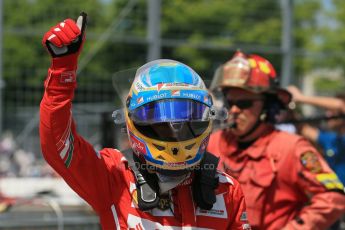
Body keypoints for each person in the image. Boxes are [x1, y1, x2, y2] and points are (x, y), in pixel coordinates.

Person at [39, 13, 250, 229]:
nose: (174, 131)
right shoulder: (115, 176)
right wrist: (62, 70)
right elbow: (59, 146)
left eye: (185, 121)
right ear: (132, 121)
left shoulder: (226, 189)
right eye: (161, 124)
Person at [207, 51, 345, 230]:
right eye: (229, 102)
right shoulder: (211, 144)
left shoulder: (291, 148)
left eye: (244, 104)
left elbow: (333, 197)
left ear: (267, 105)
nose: (233, 110)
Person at [287, 86, 345, 185]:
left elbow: (341, 105)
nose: (327, 114)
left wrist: (300, 98)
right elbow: (304, 129)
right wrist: (288, 107)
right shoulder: (333, 139)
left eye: (331, 110)